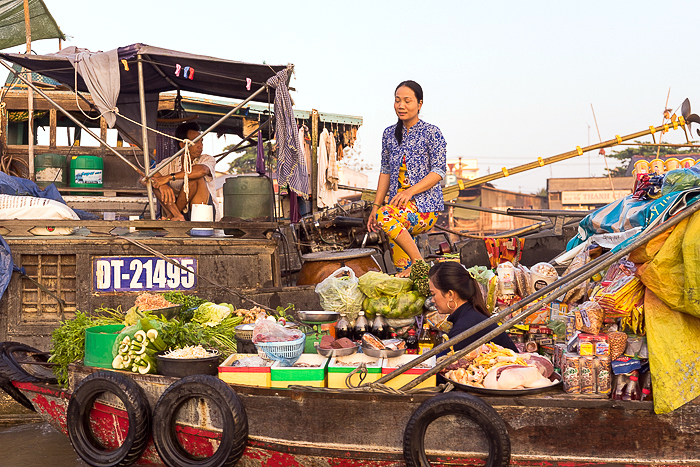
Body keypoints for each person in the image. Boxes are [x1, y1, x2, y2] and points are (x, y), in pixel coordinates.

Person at [367, 80, 446, 278]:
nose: (401, 106)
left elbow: (439, 171)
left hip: (424, 208)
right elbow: (385, 171)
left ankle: (419, 262)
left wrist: (410, 192)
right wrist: (375, 206)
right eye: (397, 101)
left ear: (419, 104)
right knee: (404, 274)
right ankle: (421, 305)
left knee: (385, 216)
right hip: (397, 211)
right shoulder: (388, 135)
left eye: (407, 101)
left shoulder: (432, 132)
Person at [428, 262, 518, 354]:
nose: (432, 300)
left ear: (450, 294)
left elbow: (445, 361)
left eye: (433, 294)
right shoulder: (469, 317)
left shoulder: (466, 327)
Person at [147, 121, 221, 221]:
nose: (200, 146)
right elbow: (145, 177)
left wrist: (168, 177)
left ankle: (173, 216)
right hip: (181, 214)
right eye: (196, 141)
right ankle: (177, 215)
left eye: (201, 141)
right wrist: (162, 184)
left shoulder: (207, 159)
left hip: (203, 213)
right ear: (182, 145)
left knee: (194, 177)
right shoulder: (171, 162)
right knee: (155, 182)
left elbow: (202, 170)